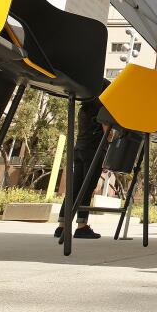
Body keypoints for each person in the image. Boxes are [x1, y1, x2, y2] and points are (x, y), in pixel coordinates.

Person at [54, 98, 111, 240]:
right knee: (86, 189)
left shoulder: (83, 109)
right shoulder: (102, 108)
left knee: (74, 189)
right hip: (94, 151)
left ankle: (61, 226)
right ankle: (81, 226)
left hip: (79, 149)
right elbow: (107, 133)